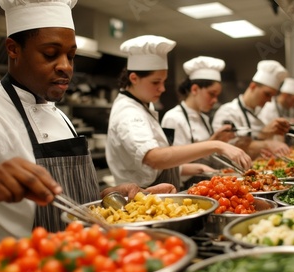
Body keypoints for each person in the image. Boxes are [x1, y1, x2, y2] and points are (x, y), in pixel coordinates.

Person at [0, 0, 174, 253]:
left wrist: (109, 196)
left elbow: (68, 201)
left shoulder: (58, 115)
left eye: (71, 56)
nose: (66, 66)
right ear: (13, 49)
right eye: (50, 54)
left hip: (81, 262)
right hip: (21, 269)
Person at [106, 35, 252, 189]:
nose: (162, 89)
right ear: (134, 78)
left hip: (156, 192)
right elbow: (154, 158)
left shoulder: (143, 106)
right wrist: (215, 145)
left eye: (163, 81)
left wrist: (193, 168)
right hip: (140, 199)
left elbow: (153, 166)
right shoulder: (128, 112)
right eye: (156, 82)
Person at [161, 56, 235, 187]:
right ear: (194, 89)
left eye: (217, 96)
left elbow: (207, 153)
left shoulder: (204, 118)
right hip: (184, 188)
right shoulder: (173, 118)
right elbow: (169, 165)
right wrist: (201, 168)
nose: (215, 100)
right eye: (212, 94)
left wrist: (218, 140)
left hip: (207, 185)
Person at [212, 60, 291, 158]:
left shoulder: (260, 113)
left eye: (272, 96)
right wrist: (266, 142)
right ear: (253, 86)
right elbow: (227, 146)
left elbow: (261, 139)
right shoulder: (227, 112)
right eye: (267, 94)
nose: (270, 100)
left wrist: (271, 133)